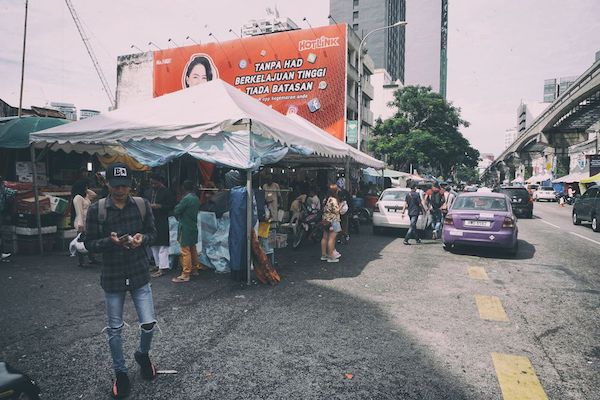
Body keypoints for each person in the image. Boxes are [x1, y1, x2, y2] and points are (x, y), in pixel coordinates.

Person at [83, 163, 158, 399]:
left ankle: (142, 354)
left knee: (149, 324)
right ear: (107, 184)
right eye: (116, 186)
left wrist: (141, 239)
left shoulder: (141, 205)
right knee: (114, 329)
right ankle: (121, 372)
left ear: (131, 184)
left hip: (138, 272)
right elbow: (88, 243)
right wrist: (110, 242)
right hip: (113, 274)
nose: (120, 190)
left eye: (124, 185)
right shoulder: (97, 210)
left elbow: (153, 233)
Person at [144, 175, 175, 278]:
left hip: (162, 220)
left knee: (163, 245)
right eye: (151, 183)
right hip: (151, 220)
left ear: (160, 182)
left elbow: (171, 205)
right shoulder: (148, 192)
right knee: (153, 244)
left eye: (155, 183)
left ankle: (163, 267)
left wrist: (160, 206)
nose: (153, 185)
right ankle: (157, 265)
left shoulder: (167, 192)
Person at [172, 180, 201, 283]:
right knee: (193, 249)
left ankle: (185, 274)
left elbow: (177, 210)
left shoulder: (186, 199)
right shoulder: (196, 198)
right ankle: (194, 269)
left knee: (185, 250)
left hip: (185, 227)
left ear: (183, 188)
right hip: (193, 226)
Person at [71, 179, 98, 267]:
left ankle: (91, 258)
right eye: (85, 186)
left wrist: (86, 189)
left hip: (88, 221)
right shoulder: (78, 198)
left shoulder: (85, 196)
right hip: (81, 222)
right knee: (81, 241)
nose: (87, 188)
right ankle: (81, 261)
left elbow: (94, 195)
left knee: (89, 239)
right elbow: (79, 212)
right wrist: (80, 224)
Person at [320, 184, 342, 263]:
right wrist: (341, 206)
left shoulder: (326, 199)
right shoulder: (333, 200)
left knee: (325, 237)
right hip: (334, 221)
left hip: (325, 220)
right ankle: (331, 256)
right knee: (332, 239)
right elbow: (337, 211)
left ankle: (323, 255)